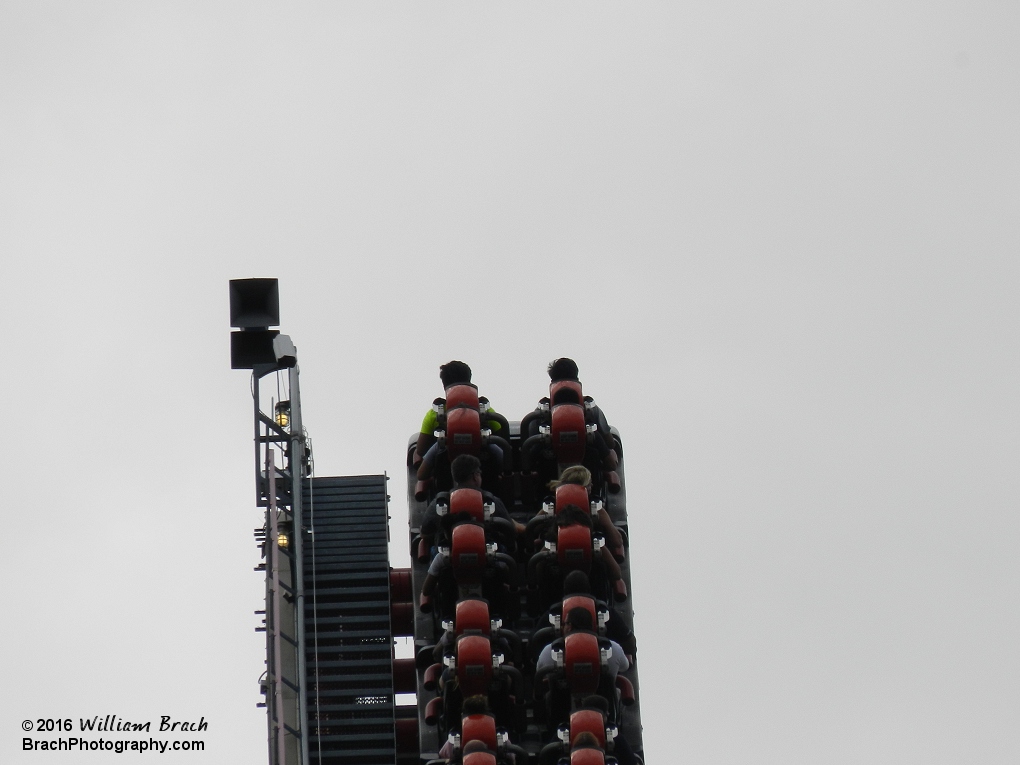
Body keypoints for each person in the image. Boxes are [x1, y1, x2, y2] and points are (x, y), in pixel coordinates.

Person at [415, 360, 503, 464]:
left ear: (444, 385)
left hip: (445, 474)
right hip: (485, 472)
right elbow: (503, 441)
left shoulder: (433, 414)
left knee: (415, 454)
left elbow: (420, 450)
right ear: (469, 381)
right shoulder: (486, 412)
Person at [547, 358, 617, 468]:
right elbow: (610, 443)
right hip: (588, 469)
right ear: (576, 379)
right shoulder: (591, 408)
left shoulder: (542, 411)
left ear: (552, 381)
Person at [548, 466, 625, 561]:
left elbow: (532, 529)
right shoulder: (596, 509)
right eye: (589, 484)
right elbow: (617, 541)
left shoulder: (551, 505)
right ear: (583, 487)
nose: (592, 486)